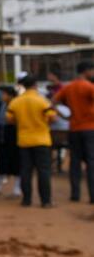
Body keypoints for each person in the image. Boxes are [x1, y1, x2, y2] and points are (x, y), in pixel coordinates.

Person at [7, 75, 56, 208]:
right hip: (42, 140)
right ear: (35, 85)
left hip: (24, 140)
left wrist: (21, 123)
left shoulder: (16, 102)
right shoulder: (42, 101)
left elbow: (9, 119)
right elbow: (52, 117)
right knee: (43, 171)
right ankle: (45, 201)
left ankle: (26, 200)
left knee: (25, 171)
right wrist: (44, 124)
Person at [53, 61, 94, 203]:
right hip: (89, 128)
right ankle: (92, 195)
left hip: (74, 128)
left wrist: (66, 115)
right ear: (87, 71)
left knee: (75, 162)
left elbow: (53, 102)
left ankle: (75, 194)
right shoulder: (89, 87)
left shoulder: (68, 87)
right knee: (91, 162)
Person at [0, 85, 21, 196]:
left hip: (13, 133)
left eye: (3, 94)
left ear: (10, 95)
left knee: (16, 160)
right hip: (2, 132)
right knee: (1, 159)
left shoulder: (16, 104)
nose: (1, 96)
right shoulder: (3, 104)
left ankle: (17, 188)